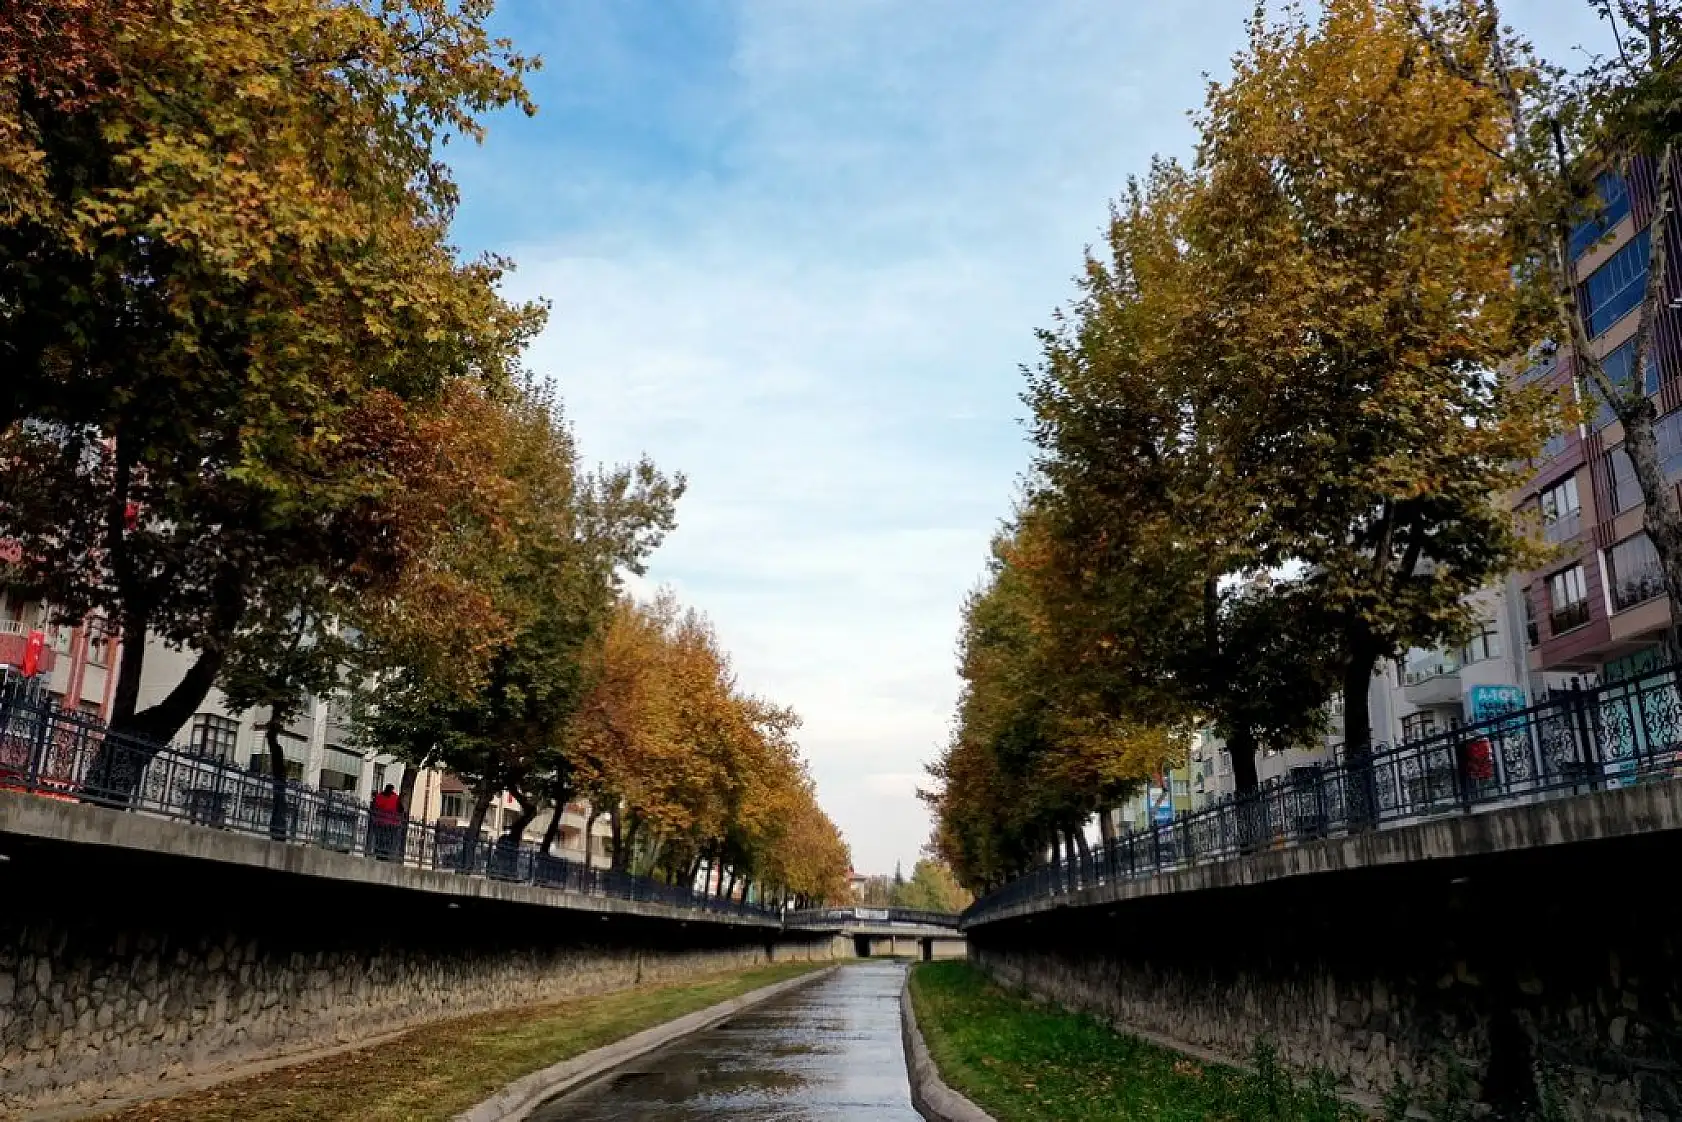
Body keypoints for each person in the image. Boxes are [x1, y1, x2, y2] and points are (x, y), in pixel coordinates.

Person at [370, 783, 403, 860]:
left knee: (379, 839)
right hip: (391, 823)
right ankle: (385, 854)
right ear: (392, 789)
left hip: (380, 821)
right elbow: (401, 809)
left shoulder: (379, 797)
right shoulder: (395, 798)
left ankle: (378, 853)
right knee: (388, 840)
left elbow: (374, 807)